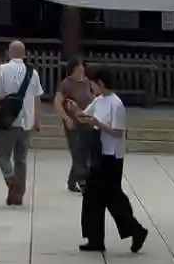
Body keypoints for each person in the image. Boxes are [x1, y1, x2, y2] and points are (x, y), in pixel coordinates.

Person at [76, 67, 146, 253]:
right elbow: (84, 116)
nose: (91, 87)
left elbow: (117, 132)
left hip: (112, 156)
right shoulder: (98, 100)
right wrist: (75, 111)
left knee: (113, 197)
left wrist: (98, 124)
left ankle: (136, 230)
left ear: (101, 83)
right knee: (92, 195)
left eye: (92, 84)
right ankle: (94, 238)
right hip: (98, 153)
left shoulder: (116, 104)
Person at [0, 39, 44, 205]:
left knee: (2, 155)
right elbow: (37, 98)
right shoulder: (33, 73)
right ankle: (18, 194)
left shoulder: (3, 69)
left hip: (8, 121)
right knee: (21, 159)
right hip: (27, 122)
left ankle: (11, 180)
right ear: (24, 53)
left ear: (9, 52)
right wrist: (37, 120)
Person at [56, 56, 95, 193]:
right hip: (73, 123)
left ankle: (72, 181)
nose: (80, 72)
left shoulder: (88, 83)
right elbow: (58, 103)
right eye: (77, 69)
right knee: (77, 152)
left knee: (85, 153)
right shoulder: (66, 84)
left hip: (87, 122)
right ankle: (83, 181)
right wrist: (66, 118)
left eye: (81, 69)